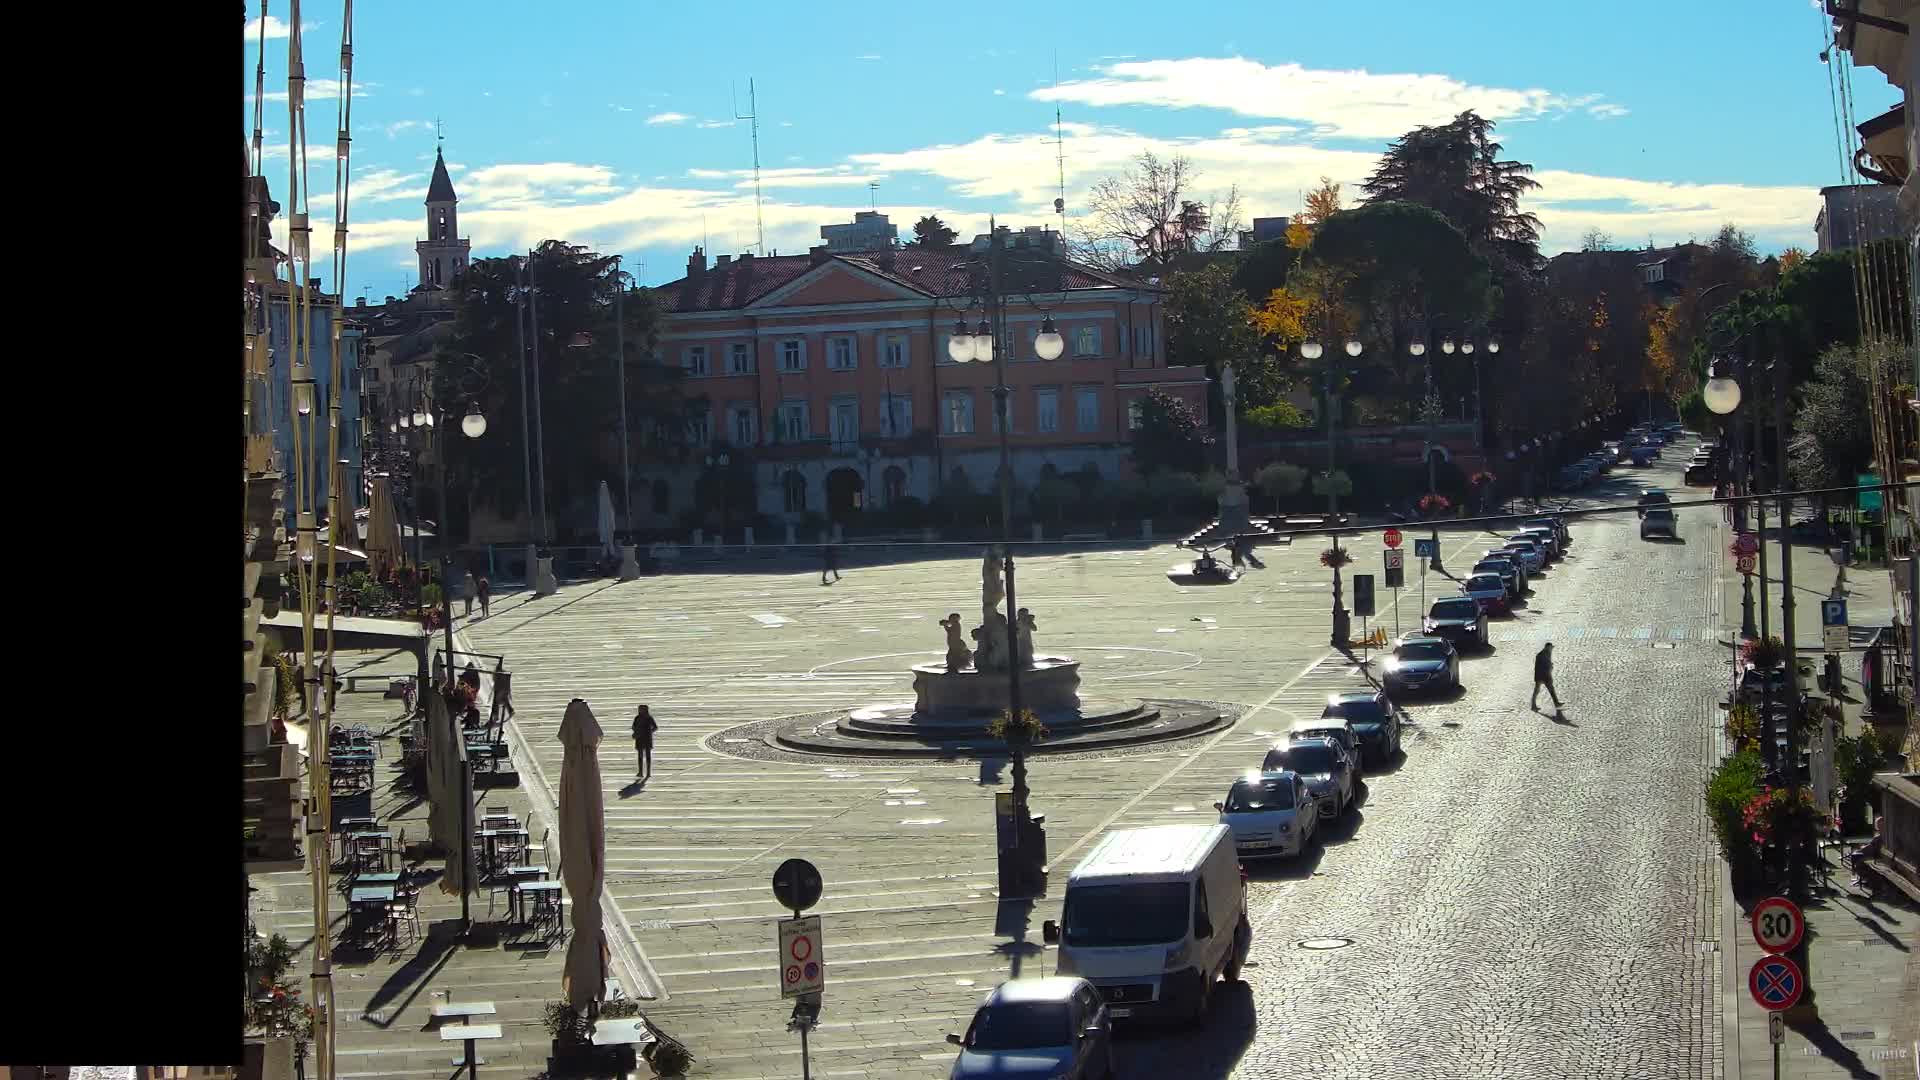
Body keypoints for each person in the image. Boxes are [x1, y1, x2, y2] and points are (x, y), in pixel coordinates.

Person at [1531, 642, 1561, 711]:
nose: (1551, 649)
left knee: (1541, 690)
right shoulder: (1542, 655)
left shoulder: (1545, 654)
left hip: (1542, 675)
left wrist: (1550, 665)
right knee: (1540, 690)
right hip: (1543, 676)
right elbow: (1542, 666)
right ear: (1547, 647)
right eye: (1551, 648)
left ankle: (1533, 705)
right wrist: (1550, 666)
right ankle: (1533, 705)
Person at [633, 705, 659, 780]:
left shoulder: (649, 718)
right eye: (639, 709)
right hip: (639, 738)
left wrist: (649, 732)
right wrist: (636, 732)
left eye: (641, 709)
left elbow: (655, 727)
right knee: (640, 756)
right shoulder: (637, 718)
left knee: (648, 756)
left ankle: (648, 772)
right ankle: (640, 772)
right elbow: (633, 726)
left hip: (647, 738)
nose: (640, 710)